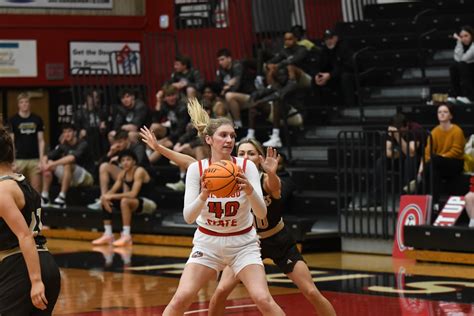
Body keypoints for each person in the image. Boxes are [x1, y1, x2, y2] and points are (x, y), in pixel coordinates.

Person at [160, 99, 285, 316]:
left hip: (243, 244)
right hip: (207, 243)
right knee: (180, 299)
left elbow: (261, 213)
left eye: (232, 136)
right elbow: (189, 217)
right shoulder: (197, 170)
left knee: (263, 299)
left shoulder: (246, 167)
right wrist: (204, 195)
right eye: (223, 135)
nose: (229, 140)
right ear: (209, 139)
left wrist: (249, 191)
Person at [208, 138, 336, 316]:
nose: (246, 157)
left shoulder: (266, 179)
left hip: (279, 241)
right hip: (246, 245)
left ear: (259, 158)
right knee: (220, 292)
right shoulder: (226, 183)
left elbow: (275, 189)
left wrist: (273, 173)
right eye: (242, 153)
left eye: (251, 153)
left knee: (311, 291)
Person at [0, 127, 60, 315]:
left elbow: (24, 235)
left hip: (23, 267)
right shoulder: (21, 181)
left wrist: (35, 281)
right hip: (44, 262)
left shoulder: (2, 190)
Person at [92, 149, 157, 247]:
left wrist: (111, 196)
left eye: (128, 160)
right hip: (135, 202)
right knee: (105, 199)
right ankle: (108, 234)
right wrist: (105, 197)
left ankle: (126, 235)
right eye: (123, 161)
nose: (125, 162)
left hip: (149, 203)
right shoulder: (123, 173)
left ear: (134, 161)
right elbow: (112, 191)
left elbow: (133, 194)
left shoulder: (139, 171)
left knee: (125, 201)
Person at [418, 104, 466, 209]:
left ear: (451, 116)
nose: (442, 114)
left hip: (455, 163)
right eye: (439, 112)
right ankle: (434, 203)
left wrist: (441, 157)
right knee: (434, 170)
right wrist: (424, 163)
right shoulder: (435, 132)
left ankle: (418, 186)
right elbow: (427, 152)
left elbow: (456, 151)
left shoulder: (457, 131)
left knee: (434, 161)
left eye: (445, 112)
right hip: (438, 163)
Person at [41, 123, 94, 209]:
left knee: (67, 163)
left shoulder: (83, 143)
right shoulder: (63, 145)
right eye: (64, 132)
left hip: (86, 177)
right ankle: (44, 197)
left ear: (75, 133)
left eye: (69, 131)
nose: (67, 134)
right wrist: (44, 164)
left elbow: (71, 158)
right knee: (49, 163)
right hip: (70, 177)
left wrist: (52, 164)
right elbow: (46, 156)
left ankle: (62, 197)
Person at [8, 92, 46, 193]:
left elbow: (41, 140)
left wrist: (41, 160)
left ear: (29, 104)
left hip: (34, 160)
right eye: (22, 102)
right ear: (18, 104)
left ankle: (36, 209)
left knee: (36, 190)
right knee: (18, 190)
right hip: (19, 160)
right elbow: (11, 142)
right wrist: (12, 161)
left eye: (26, 102)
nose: (24, 104)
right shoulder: (13, 120)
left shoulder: (37, 119)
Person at [315, 29, 356, 107]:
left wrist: (330, 75)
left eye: (331, 38)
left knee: (345, 77)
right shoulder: (324, 50)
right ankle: (321, 109)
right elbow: (319, 65)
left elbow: (347, 66)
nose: (328, 41)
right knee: (315, 80)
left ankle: (350, 105)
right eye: (326, 39)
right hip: (332, 75)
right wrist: (318, 74)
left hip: (346, 73)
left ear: (336, 38)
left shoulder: (344, 47)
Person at [449, 25, 474, 104]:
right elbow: (457, 59)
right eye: (461, 36)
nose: (464, 38)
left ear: (472, 36)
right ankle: (457, 95)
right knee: (453, 66)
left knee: (462, 65)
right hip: (468, 67)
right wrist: (459, 42)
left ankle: (470, 96)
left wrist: (459, 41)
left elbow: (464, 59)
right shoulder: (461, 43)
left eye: (466, 36)